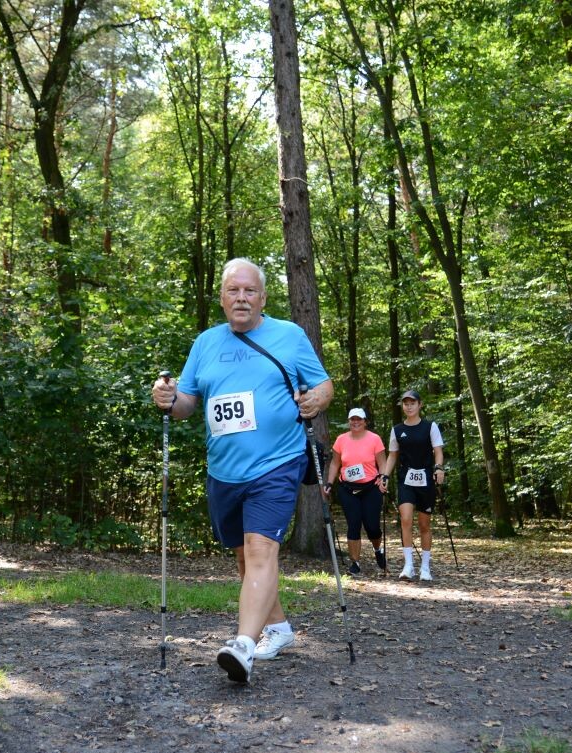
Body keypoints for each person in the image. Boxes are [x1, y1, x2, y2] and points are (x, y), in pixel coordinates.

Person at [151, 258, 333, 683]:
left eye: (250, 291)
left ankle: (243, 646)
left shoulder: (289, 335)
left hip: (278, 462)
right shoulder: (205, 343)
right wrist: (167, 398)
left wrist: (317, 400)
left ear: (263, 297)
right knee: (243, 555)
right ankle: (279, 628)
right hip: (224, 471)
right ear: (222, 298)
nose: (242, 298)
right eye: (234, 291)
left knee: (260, 550)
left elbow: (324, 385)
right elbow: (186, 404)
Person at [379, 390, 445, 581]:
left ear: (420, 405)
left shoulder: (430, 427)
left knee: (424, 524)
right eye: (406, 403)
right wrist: (385, 476)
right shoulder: (397, 429)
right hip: (406, 480)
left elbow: (438, 451)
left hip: (426, 480)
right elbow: (392, 455)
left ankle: (425, 567)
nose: (409, 407)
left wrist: (439, 468)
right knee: (406, 519)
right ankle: (408, 566)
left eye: (412, 403)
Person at [323, 408, 387, 575]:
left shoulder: (374, 439)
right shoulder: (341, 440)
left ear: (365, 421)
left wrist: (383, 478)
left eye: (359, 419)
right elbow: (335, 463)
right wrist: (329, 482)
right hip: (347, 489)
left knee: (372, 526)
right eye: (353, 419)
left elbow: (383, 462)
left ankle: (377, 549)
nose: (356, 422)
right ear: (349, 421)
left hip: (371, 488)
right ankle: (355, 562)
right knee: (353, 524)